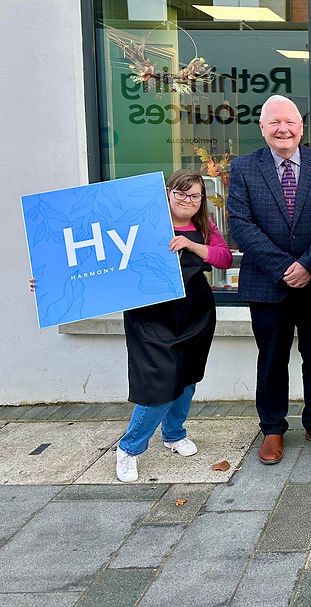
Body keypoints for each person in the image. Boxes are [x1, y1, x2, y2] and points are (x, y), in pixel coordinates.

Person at [228, 94, 311, 465]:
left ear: (301, 127)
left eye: (290, 122)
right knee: (272, 358)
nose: (283, 129)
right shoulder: (244, 167)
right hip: (267, 282)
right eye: (274, 123)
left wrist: (308, 264)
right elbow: (241, 226)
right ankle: (273, 428)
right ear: (262, 129)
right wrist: (284, 267)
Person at [115, 171, 233, 482]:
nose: (187, 200)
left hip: (194, 313)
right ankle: (128, 448)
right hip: (151, 316)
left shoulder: (204, 227)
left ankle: (174, 433)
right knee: (162, 384)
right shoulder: (144, 224)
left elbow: (223, 259)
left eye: (194, 196)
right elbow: (101, 261)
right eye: (180, 193)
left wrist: (192, 246)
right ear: (167, 193)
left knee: (188, 378)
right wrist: (49, 283)